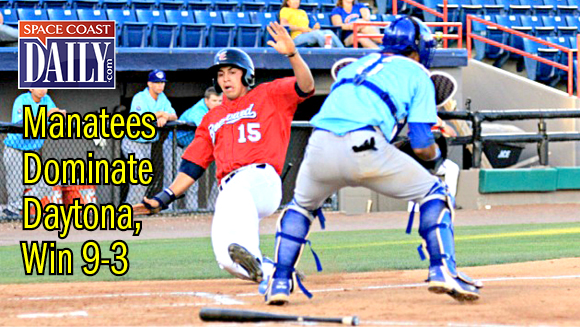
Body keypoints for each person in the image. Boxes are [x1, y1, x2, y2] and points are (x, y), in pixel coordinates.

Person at [264, 16, 481, 305]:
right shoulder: (418, 74)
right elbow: (421, 144)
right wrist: (436, 160)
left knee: (302, 207)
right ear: (418, 49)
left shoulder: (356, 65)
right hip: (364, 145)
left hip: (318, 145)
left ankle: (279, 280)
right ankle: (443, 269)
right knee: (434, 194)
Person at [140, 22, 315, 284]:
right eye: (221, 74)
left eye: (232, 71)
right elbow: (192, 165)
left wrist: (293, 55)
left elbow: (306, 86)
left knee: (236, 190)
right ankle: (274, 273)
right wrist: (163, 198)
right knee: (225, 258)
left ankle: (256, 258)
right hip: (231, 191)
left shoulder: (269, 95)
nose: (225, 78)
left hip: (261, 180)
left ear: (247, 75)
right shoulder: (212, 118)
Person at [1, 89, 66, 219]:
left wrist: (59, 115)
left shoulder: (47, 100)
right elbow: (24, 123)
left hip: (32, 152)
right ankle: (12, 217)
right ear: (31, 88)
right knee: (16, 191)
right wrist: (48, 115)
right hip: (15, 150)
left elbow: (57, 118)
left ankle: (15, 209)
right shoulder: (22, 100)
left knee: (47, 183)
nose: (43, 89)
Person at [121, 69, 177, 204]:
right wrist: (159, 114)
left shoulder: (163, 98)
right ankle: (129, 210)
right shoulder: (139, 97)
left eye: (162, 82)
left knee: (143, 179)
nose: (160, 85)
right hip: (132, 142)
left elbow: (174, 115)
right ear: (149, 84)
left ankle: (134, 208)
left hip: (148, 144)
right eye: (157, 82)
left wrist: (166, 116)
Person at [164, 87, 222, 211]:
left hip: (190, 147)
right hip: (174, 145)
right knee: (171, 180)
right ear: (206, 101)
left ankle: (192, 211)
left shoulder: (217, 111)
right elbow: (207, 129)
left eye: (220, 101)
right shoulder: (198, 110)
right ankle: (167, 211)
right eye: (214, 100)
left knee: (191, 182)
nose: (217, 104)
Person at [280, 0, 344, 48]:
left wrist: (314, 28)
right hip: (296, 37)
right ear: (288, 2)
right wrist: (300, 29)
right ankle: (330, 52)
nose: (296, 1)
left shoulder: (302, 12)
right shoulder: (285, 10)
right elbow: (284, 24)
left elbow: (308, 29)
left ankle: (343, 51)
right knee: (317, 34)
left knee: (328, 32)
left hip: (307, 34)